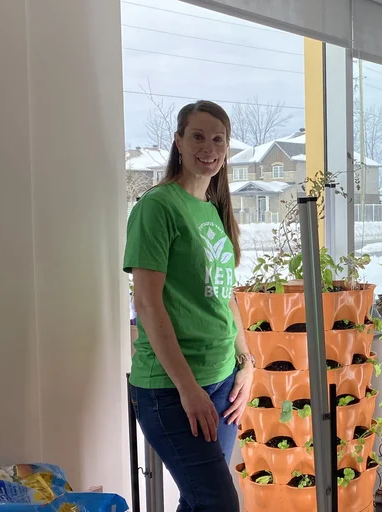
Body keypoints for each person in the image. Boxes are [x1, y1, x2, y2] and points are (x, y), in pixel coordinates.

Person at [125, 101, 254, 512]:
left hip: (222, 381)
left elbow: (224, 295)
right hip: (173, 389)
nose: (208, 147)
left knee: (200, 501)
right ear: (178, 141)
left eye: (218, 139)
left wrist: (247, 361)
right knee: (218, 504)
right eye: (197, 136)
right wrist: (187, 387)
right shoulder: (158, 206)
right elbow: (147, 303)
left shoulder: (211, 212)